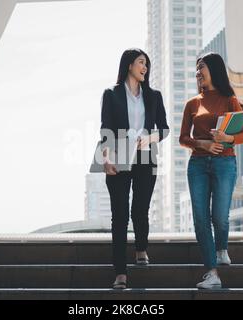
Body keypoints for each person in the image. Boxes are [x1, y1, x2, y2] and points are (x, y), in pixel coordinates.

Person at [179, 52, 243, 289]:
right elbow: (183, 138)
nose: (198, 73)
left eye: (202, 68)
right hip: (198, 164)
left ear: (214, 70)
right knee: (201, 219)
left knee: (219, 217)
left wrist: (226, 137)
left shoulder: (230, 99)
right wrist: (203, 144)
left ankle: (221, 249)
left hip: (224, 163)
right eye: (196, 69)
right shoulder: (192, 103)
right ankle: (211, 273)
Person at [99, 48, 169, 289]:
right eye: (141, 62)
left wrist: (148, 139)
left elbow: (164, 129)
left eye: (147, 64)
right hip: (118, 155)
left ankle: (141, 248)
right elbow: (105, 128)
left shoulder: (154, 96)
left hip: (146, 157)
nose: (145, 68)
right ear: (129, 65)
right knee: (120, 216)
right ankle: (120, 272)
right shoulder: (111, 94)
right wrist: (105, 158)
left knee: (140, 209)